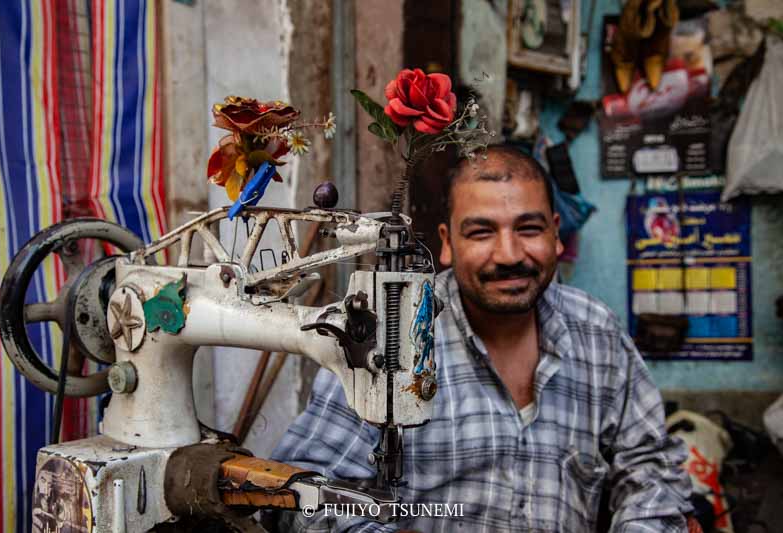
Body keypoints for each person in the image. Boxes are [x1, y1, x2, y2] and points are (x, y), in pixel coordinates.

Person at [267, 145, 694, 532]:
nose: (509, 255)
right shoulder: (383, 338)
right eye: (481, 232)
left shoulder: (597, 333)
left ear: (555, 234)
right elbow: (306, 494)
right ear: (447, 243)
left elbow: (650, 469)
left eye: (528, 228)